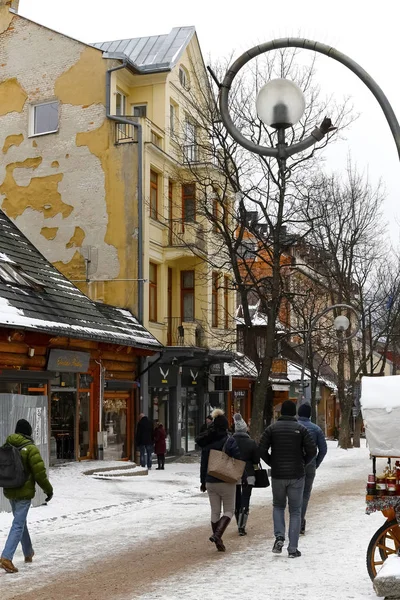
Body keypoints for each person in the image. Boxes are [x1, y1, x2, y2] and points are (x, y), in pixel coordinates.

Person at [259, 400, 317, 558]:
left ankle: (279, 537)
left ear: (281, 413)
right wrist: (303, 462)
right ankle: (292, 548)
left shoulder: (271, 429)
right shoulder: (301, 429)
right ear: (294, 414)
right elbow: (313, 450)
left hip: (278, 475)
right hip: (297, 475)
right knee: (295, 511)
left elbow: (261, 448)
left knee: (278, 506)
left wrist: (271, 461)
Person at [0, 419, 53, 574]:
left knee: (20, 521)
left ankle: (28, 552)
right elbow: (40, 474)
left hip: (10, 489)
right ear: (29, 432)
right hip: (24, 492)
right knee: (18, 524)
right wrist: (48, 490)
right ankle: (6, 557)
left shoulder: (7, 445)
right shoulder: (30, 448)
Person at [196, 408, 241, 552]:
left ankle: (218, 539)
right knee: (229, 510)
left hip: (210, 480)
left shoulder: (207, 441)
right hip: (226, 479)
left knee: (215, 511)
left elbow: (203, 463)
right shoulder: (229, 440)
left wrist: (203, 481)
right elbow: (238, 458)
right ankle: (217, 535)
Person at [297, 403, 328, 534]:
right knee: (305, 494)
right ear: (310, 414)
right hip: (310, 465)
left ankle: (294, 521)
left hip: (295, 465)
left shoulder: (295, 427)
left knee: (294, 494)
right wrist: (316, 462)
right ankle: (300, 521)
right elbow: (323, 449)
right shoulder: (316, 429)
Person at [233, 413, 260, 536]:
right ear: (245, 429)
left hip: (233, 474)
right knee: (246, 498)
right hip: (248, 474)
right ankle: (242, 526)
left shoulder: (230, 441)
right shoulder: (251, 443)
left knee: (236, 498)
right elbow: (256, 460)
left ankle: (238, 520)